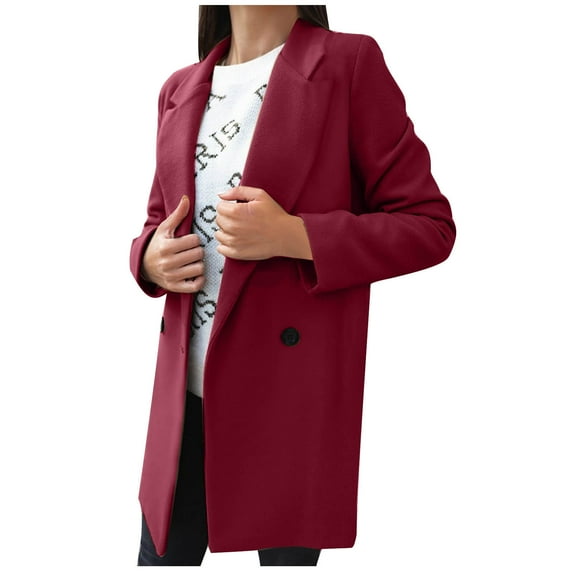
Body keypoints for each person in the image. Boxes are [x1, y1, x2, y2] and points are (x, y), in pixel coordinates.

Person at [130, 4, 456, 567]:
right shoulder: (178, 88)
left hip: (288, 400)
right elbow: (157, 222)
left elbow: (429, 225)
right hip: (185, 401)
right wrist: (147, 261)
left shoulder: (349, 63)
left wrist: (295, 235)